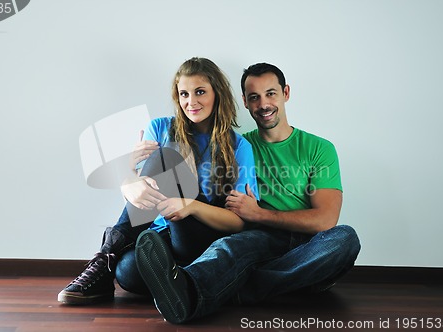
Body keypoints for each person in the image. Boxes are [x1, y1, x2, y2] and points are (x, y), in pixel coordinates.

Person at [134, 62, 361, 324]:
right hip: (258, 238)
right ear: (245, 102)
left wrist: (261, 214)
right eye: (254, 97)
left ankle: (230, 288)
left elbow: (325, 221)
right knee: (230, 246)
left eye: (271, 93)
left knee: (345, 239)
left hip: (307, 243)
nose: (263, 104)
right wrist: (136, 167)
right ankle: (200, 293)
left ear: (286, 93)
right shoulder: (238, 145)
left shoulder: (319, 148)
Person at [57, 57, 259, 304]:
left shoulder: (239, 146)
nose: (191, 102)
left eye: (200, 92)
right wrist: (128, 173)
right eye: (183, 93)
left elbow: (238, 223)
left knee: (166, 156)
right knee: (127, 273)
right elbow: (138, 205)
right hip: (160, 232)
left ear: (218, 94)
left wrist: (190, 205)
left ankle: (104, 260)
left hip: (200, 237)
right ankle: (177, 280)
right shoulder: (160, 128)